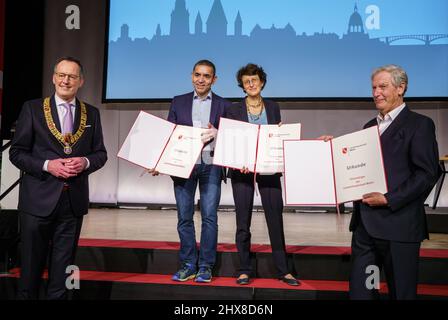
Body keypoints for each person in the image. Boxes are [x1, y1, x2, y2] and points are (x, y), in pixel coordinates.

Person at [9, 57, 108, 299]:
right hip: (37, 202)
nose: (66, 80)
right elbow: (16, 153)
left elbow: (100, 154)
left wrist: (84, 162)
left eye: (72, 76)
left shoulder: (91, 114)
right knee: (30, 269)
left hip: (72, 203)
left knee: (63, 271)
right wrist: (47, 165)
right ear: (53, 78)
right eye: (62, 75)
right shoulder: (32, 109)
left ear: (81, 81)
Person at [348, 64, 440, 299]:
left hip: (399, 228)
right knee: (363, 293)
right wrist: (335, 151)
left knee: (401, 294)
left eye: (383, 86)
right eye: (374, 87)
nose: (377, 92)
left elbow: (427, 173)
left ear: (401, 88)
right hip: (364, 228)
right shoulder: (368, 127)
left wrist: (388, 199)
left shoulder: (420, 124)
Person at [226, 63, 299, 286]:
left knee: (275, 219)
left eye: (254, 80)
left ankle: (283, 270)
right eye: (247, 81)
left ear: (262, 82)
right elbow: (232, 141)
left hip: (269, 169)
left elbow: (276, 134)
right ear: (242, 85)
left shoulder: (273, 106)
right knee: (242, 221)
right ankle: (244, 269)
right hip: (242, 171)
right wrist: (239, 161)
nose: (251, 84)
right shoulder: (233, 109)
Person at [165, 60, 231, 283]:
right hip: (184, 166)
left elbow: (233, 136)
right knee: (184, 217)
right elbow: (169, 134)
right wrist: (159, 162)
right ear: (191, 75)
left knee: (209, 218)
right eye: (197, 75)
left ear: (214, 79)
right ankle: (188, 264)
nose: (201, 79)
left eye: (206, 76)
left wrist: (219, 133)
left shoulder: (224, 104)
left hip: (211, 165)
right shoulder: (178, 101)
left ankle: (205, 266)